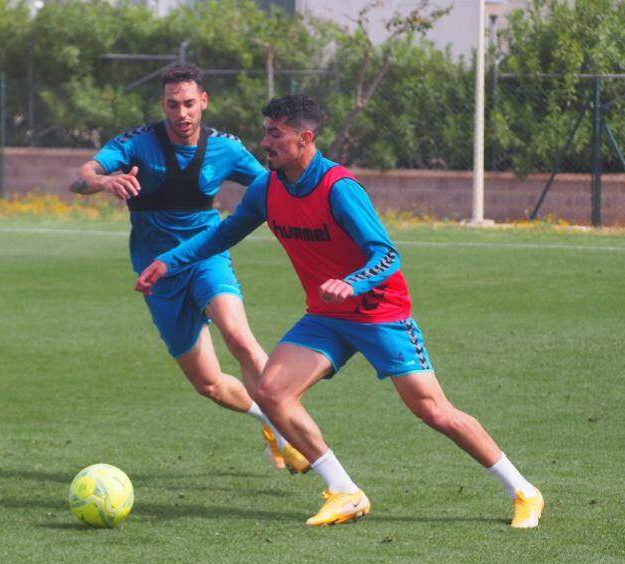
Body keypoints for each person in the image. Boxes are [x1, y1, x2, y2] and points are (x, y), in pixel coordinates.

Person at [136, 94, 544, 528]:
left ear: (305, 138)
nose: (265, 142)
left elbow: (387, 255)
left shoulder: (339, 188)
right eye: (265, 132)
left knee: (434, 411)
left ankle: (523, 491)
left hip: (379, 314)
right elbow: (222, 235)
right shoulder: (267, 188)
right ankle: (345, 491)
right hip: (326, 317)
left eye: (275, 134)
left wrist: (352, 283)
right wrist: (168, 261)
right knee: (271, 392)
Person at [70, 64, 308, 473]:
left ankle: (292, 435)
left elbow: (272, 187)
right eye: (172, 104)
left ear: (204, 102)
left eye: (189, 103)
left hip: (205, 257)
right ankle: (269, 420)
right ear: (162, 105)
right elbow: (82, 176)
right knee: (209, 384)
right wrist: (104, 182)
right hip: (158, 274)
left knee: (240, 338)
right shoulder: (138, 143)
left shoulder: (225, 148)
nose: (181, 113)